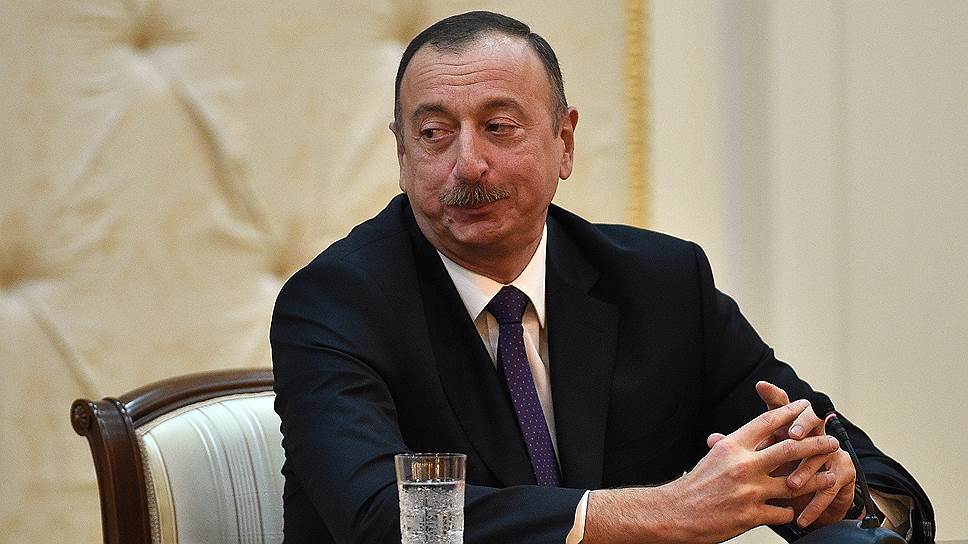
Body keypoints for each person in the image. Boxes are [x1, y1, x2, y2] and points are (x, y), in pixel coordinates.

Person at [270, 11, 933, 544]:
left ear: (565, 141)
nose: (467, 164)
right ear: (402, 152)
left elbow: (847, 462)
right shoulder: (335, 304)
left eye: (498, 127)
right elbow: (385, 518)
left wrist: (837, 488)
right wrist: (668, 511)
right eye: (435, 134)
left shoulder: (661, 285)